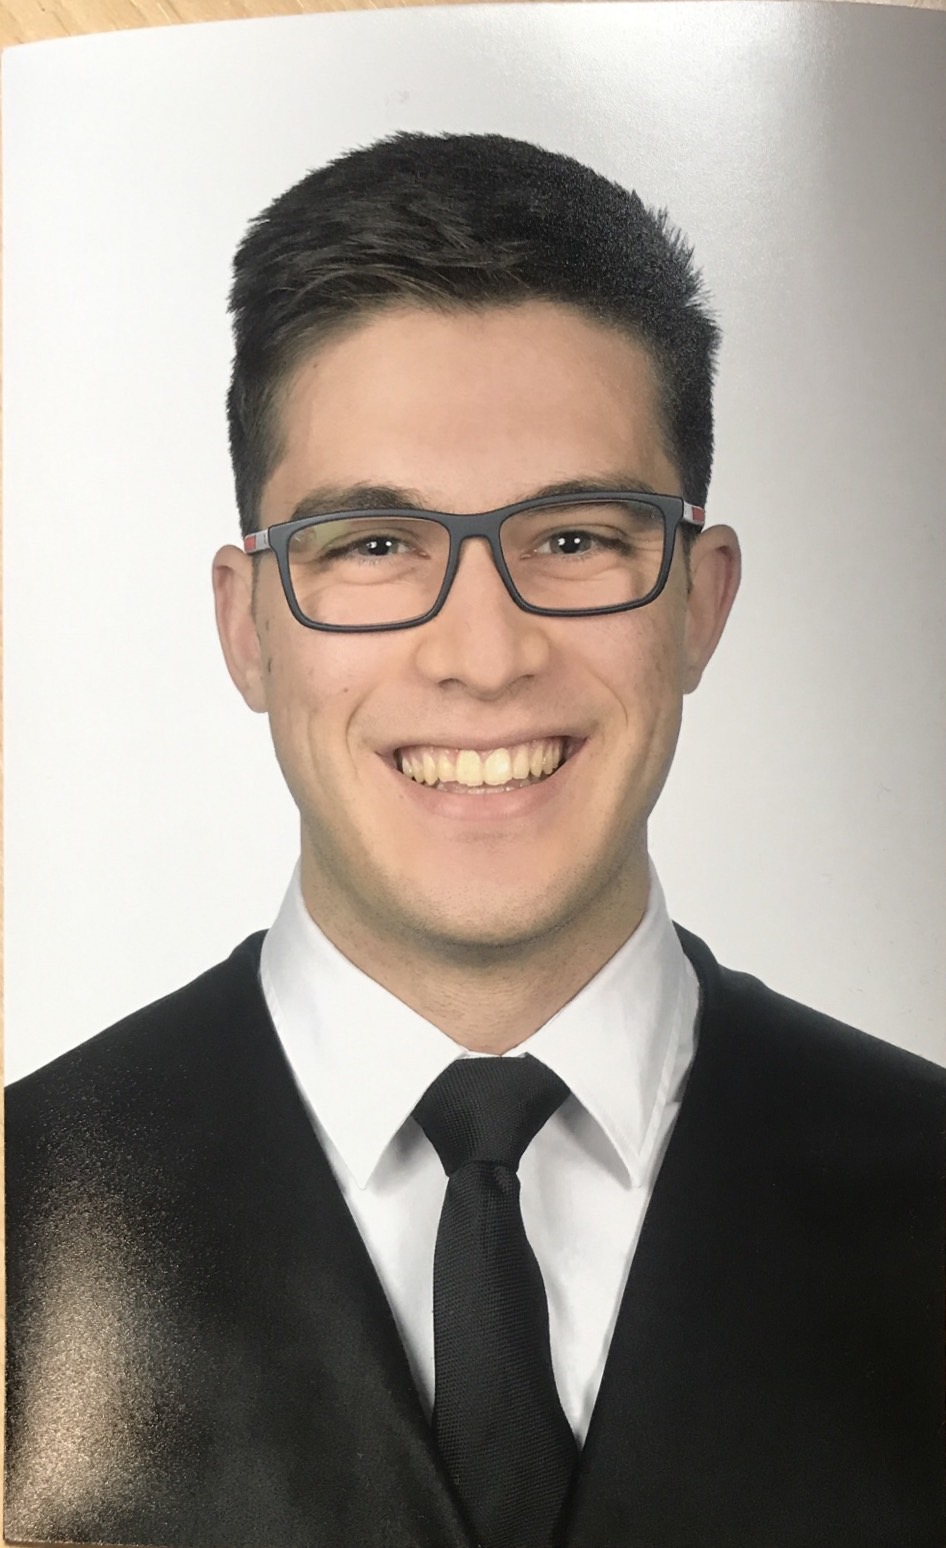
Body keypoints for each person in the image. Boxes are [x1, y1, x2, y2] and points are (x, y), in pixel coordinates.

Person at [4, 131, 943, 1548]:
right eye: (373, 546)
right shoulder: (21, 1209)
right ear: (247, 628)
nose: (484, 657)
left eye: (575, 538)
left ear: (700, 603)